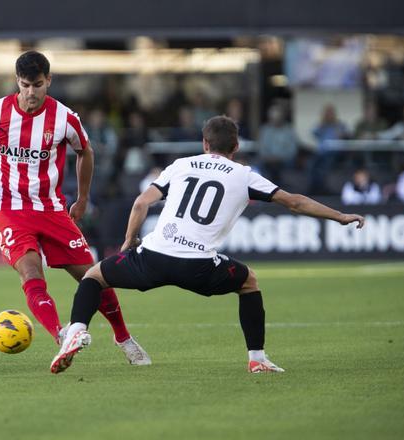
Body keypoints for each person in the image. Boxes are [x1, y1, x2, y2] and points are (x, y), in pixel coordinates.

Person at [50, 116, 365, 374]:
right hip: (198, 267)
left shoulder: (180, 165)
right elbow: (294, 202)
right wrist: (339, 216)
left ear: (204, 143)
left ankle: (77, 328)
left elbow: (140, 204)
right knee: (249, 282)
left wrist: (129, 241)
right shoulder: (245, 175)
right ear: (236, 146)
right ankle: (257, 358)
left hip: (153, 257)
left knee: (94, 277)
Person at [0, 51, 150, 365]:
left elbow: (84, 152)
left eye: (37, 84)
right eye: (24, 85)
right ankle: (62, 336)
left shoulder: (64, 117)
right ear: (16, 82)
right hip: (9, 208)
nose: (30, 92)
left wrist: (83, 198)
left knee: (93, 275)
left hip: (51, 209)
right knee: (31, 272)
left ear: (49, 80)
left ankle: (123, 337)